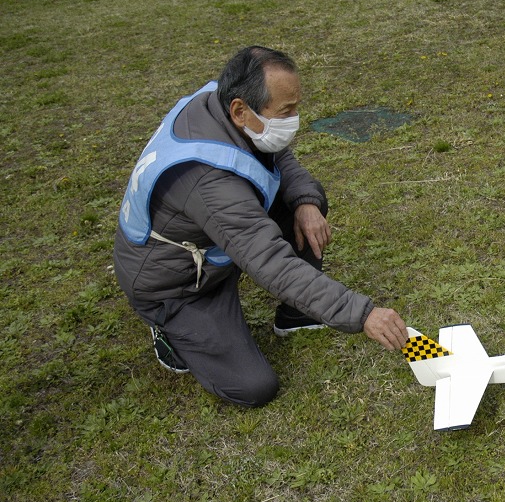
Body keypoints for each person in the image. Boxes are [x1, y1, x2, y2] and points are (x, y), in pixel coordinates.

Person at [113, 45, 408, 407]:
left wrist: (305, 201)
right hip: (180, 284)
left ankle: (296, 313)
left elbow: (275, 154)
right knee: (252, 386)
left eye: (295, 107)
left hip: (214, 245)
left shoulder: (221, 102)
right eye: (286, 111)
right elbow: (270, 262)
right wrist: (362, 314)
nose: (295, 120)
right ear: (240, 111)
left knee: (305, 200)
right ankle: (168, 329)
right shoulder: (210, 183)